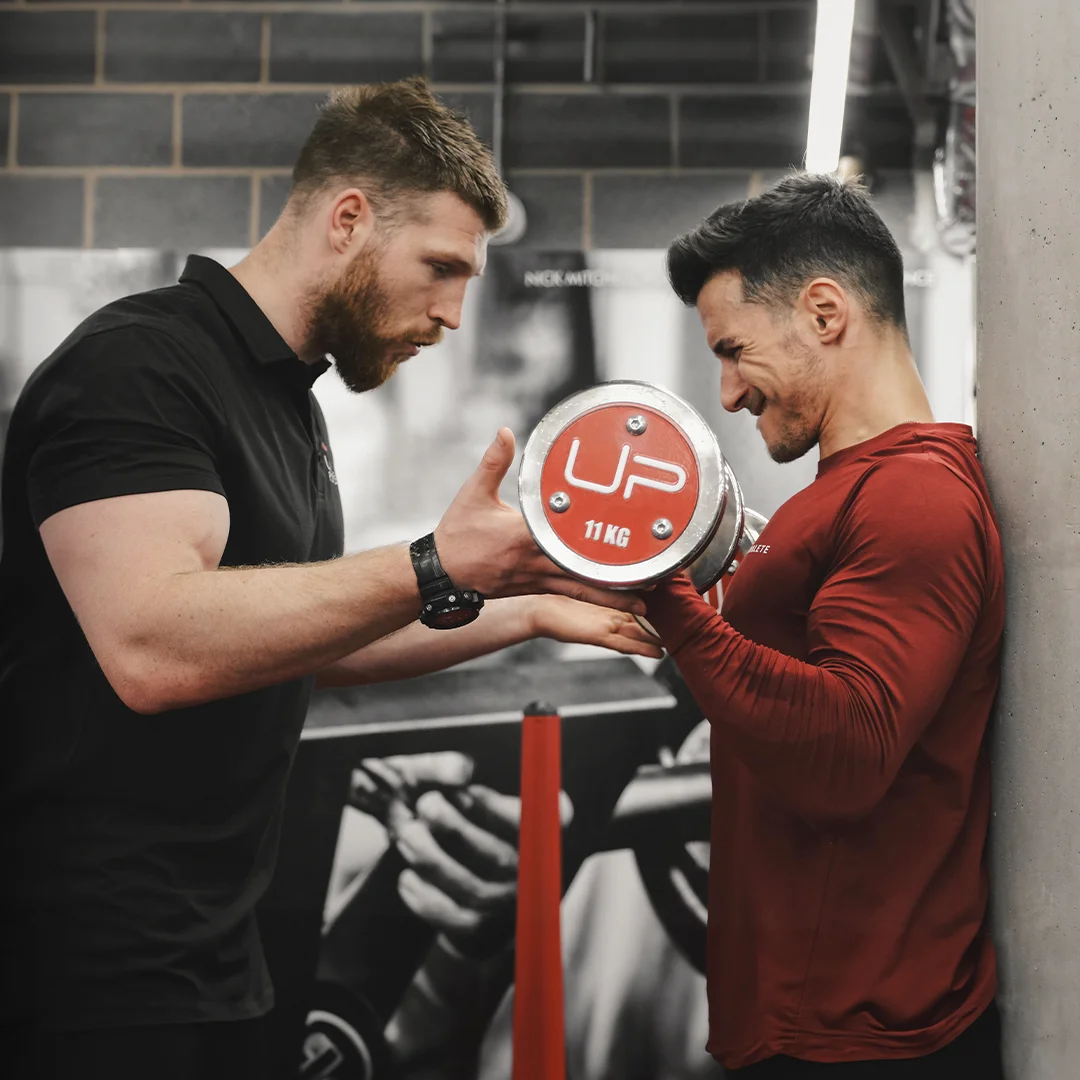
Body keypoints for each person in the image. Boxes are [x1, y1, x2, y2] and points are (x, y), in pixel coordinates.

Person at [0, 77, 662, 1080]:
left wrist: (532, 606)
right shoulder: (139, 370)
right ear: (348, 218)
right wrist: (435, 563)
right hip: (90, 971)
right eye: (440, 267)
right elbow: (152, 647)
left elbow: (300, 641)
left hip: (226, 954)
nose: (450, 313)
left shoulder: (288, 406)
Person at [639, 173, 1005, 1077]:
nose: (726, 393)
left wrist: (669, 599)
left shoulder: (913, 497)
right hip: (818, 1021)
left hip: (862, 1034)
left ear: (825, 312)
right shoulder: (855, 492)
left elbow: (847, 748)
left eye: (733, 350)